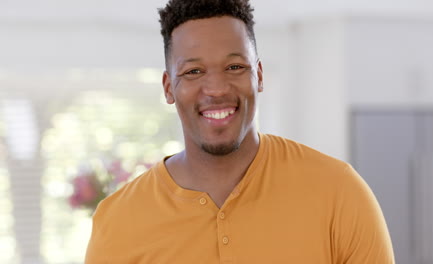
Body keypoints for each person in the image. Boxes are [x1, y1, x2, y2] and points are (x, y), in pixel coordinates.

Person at [85, 0, 395, 263]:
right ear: (169, 88)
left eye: (234, 67)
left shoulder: (339, 192)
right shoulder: (118, 221)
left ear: (258, 76)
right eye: (193, 71)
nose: (217, 88)